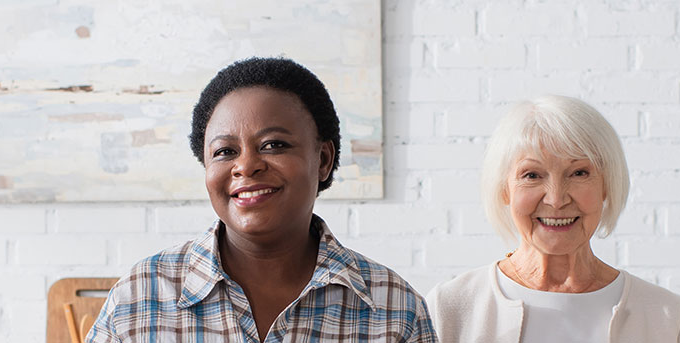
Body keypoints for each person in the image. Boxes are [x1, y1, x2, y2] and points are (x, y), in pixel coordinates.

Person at [84, 57, 437, 342]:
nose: (247, 165)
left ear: (324, 160)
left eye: (274, 145)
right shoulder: (139, 298)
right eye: (225, 151)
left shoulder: (394, 310)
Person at [426, 95, 680, 343]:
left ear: (607, 185)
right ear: (504, 189)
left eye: (578, 173)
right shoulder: (448, 307)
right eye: (532, 175)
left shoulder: (670, 317)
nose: (556, 199)